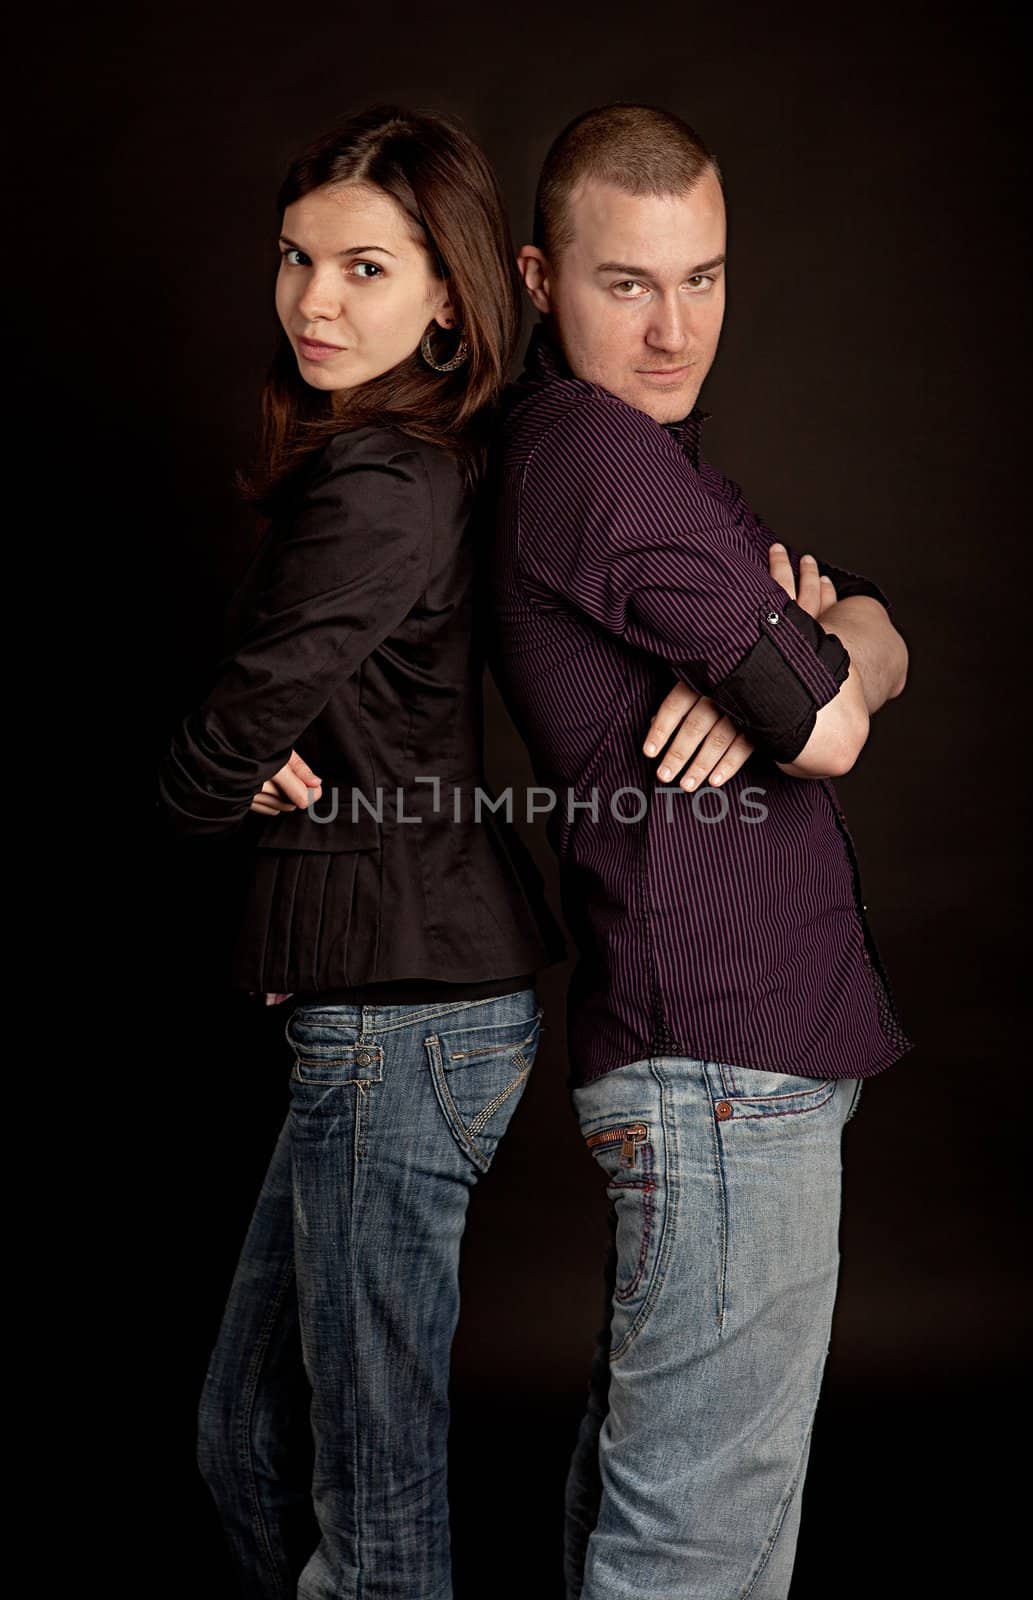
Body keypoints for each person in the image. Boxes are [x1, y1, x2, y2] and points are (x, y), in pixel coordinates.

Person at [485, 103, 915, 1598]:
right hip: (721, 1069)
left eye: (706, 279)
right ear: (541, 277)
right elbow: (836, 728)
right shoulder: (601, 457)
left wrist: (823, 643)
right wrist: (804, 675)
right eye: (628, 284)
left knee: (665, 1509)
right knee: (694, 1553)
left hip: (721, 1071)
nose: (676, 330)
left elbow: (859, 624)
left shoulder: (651, 457)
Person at [157, 104, 564, 1599]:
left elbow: (219, 748)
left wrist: (212, 775)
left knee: (373, 1499)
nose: (315, 301)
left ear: (451, 295)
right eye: (295, 258)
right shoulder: (397, 463)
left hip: (406, 1016)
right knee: (244, 1432)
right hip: (386, 988)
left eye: (367, 269)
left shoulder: (387, 484)